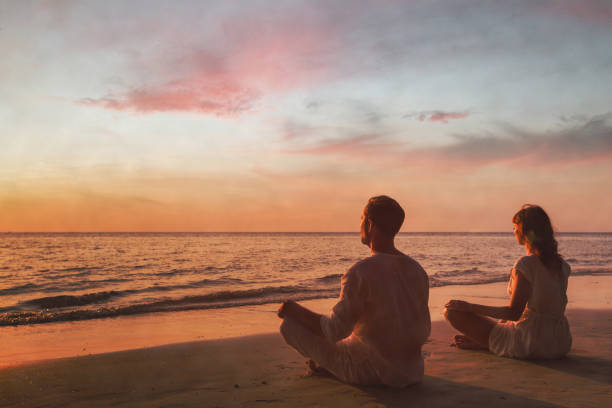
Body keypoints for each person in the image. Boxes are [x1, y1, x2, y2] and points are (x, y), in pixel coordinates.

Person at [277, 196, 431, 387]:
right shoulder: (417, 270)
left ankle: (333, 367)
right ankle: (333, 363)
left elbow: (335, 331)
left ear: (369, 224)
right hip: (411, 371)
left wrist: (296, 311)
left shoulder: (361, 271)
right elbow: (423, 330)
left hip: (371, 372)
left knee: (289, 325)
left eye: (361, 219)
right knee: (356, 334)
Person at [444, 204, 572, 359]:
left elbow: (514, 313)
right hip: (559, 342)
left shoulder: (526, 264)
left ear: (525, 232)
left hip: (531, 343)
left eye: (515, 227)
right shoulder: (562, 265)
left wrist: (470, 307)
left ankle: (489, 344)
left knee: (452, 312)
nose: (514, 231)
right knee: (503, 322)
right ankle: (488, 342)